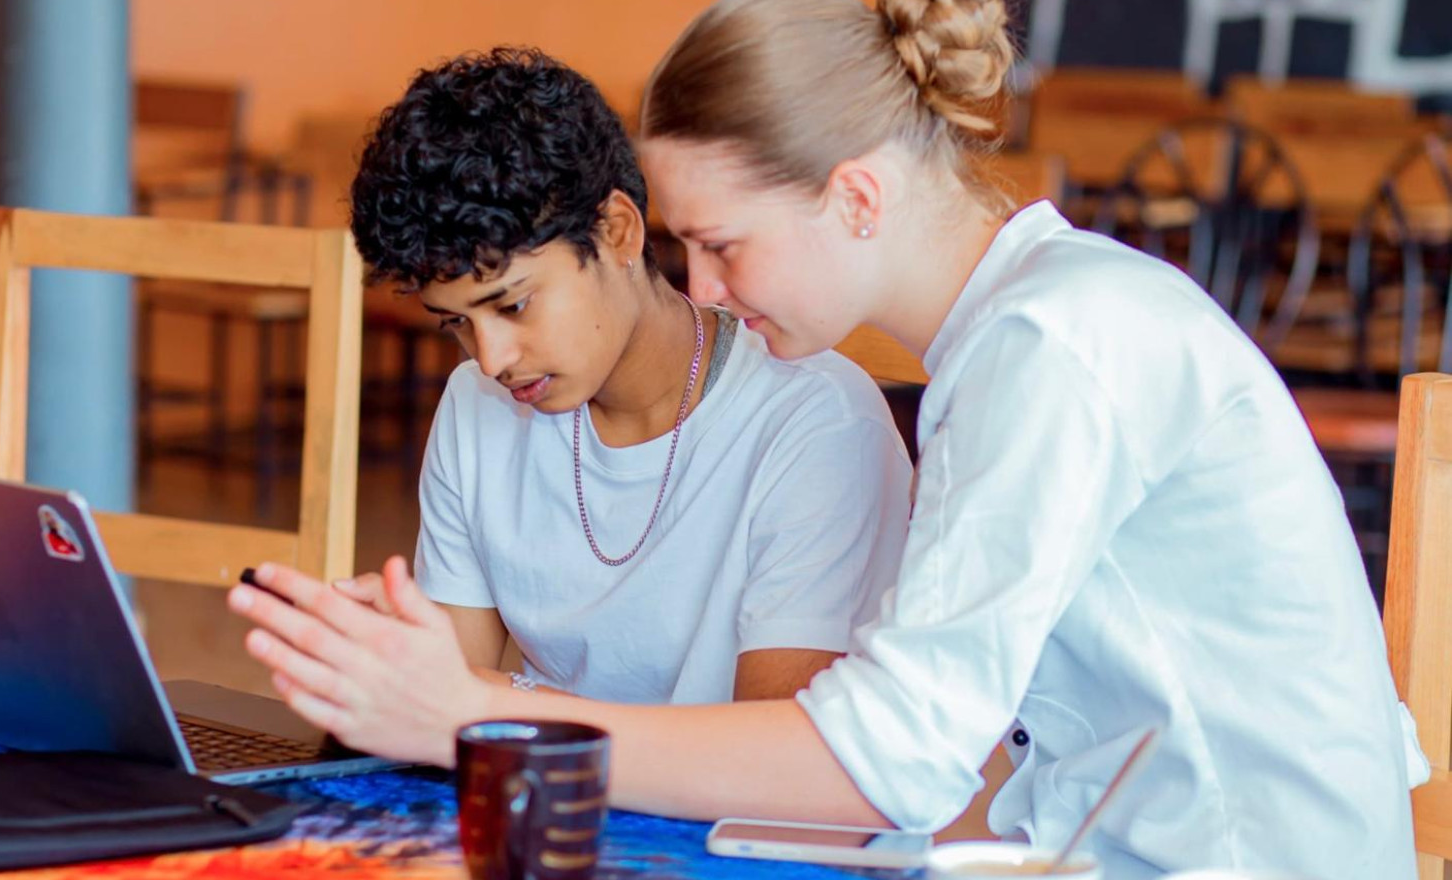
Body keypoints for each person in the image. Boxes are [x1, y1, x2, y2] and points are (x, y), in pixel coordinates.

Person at [230, 1, 1423, 876]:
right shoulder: (1015, 330)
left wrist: (473, 716)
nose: (697, 283)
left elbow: (884, 762)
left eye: (724, 244)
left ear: (856, 197)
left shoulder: (1052, 346)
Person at [343, 48, 913, 705]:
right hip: (556, 798)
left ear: (617, 232)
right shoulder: (477, 406)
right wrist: (388, 666)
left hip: (735, 809)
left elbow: (776, 758)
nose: (491, 359)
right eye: (457, 324)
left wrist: (498, 699)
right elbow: (448, 710)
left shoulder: (815, 424)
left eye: (513, 304)